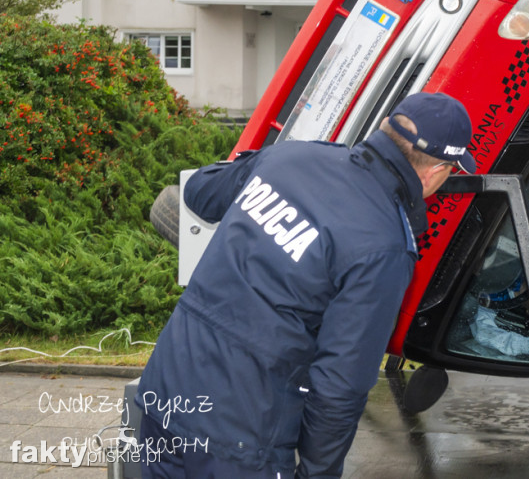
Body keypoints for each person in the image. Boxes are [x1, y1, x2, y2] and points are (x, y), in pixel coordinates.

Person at [135, 92, 475, 478]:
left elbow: (200, 191)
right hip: (242, 435)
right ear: (436, 171)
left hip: (166, 392)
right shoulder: (385, 246)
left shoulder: (289, 156)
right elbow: (340, 386)